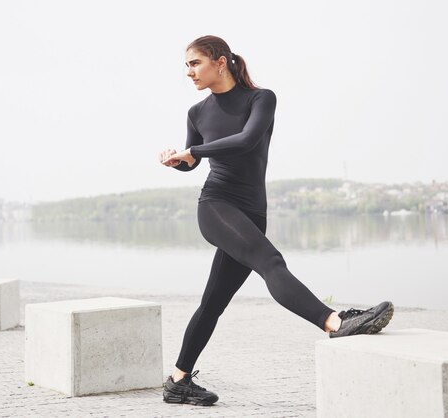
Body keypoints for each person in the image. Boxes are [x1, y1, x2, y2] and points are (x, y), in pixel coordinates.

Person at [158, 35, 394, 406]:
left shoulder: (260, 99)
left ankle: (178, 380)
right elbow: (194, 163)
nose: (188, 72)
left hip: (252, 211)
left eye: (194, 63)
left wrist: (193, 151)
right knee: (271, 263)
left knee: (212, 303)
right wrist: (179, 159)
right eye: (186, 65)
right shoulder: (197, 113)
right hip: (216, 206)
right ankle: (335, 322)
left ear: (220, 61)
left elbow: (247, 140)